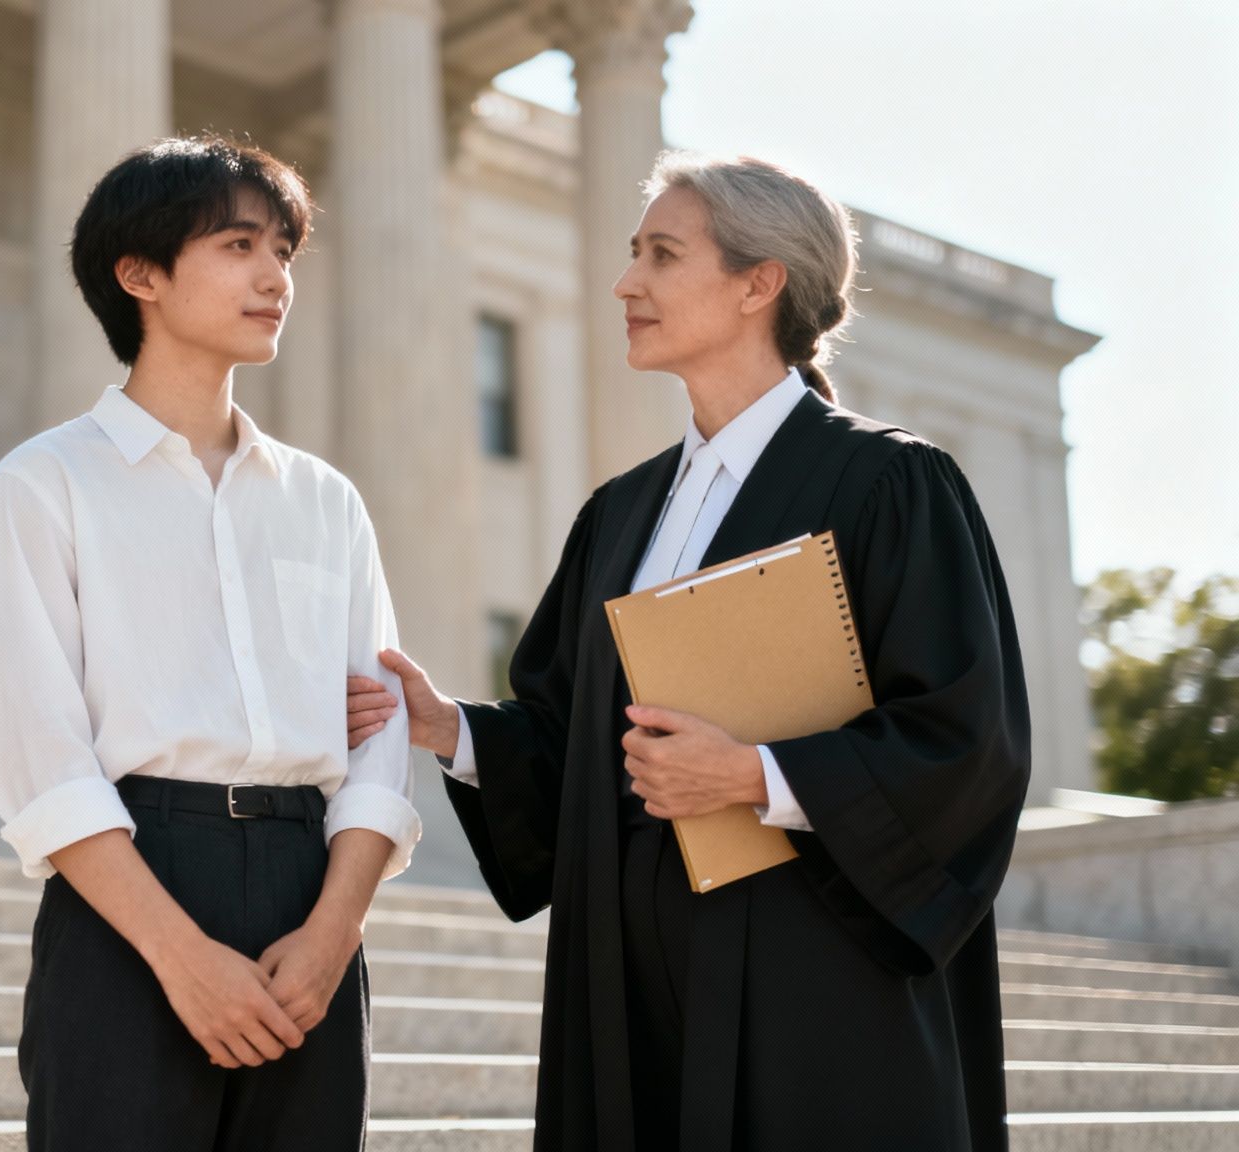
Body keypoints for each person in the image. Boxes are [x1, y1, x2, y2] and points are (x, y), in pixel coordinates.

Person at [347, 152, 1029, 1152]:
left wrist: (754, 776)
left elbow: (965, 743)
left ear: (761, 284)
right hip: (627, 985)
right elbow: (570, 733)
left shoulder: (888, 486)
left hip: (811, 978)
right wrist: (453, 732)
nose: (626, 283)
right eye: (632, 255)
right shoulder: (619, 515)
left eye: (662, 256)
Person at [0, 135, 420, 1152]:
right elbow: (43, 758)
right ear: (140, 275)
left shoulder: (325, 501)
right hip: (132, 889)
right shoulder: (44, 486)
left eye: (285, 253)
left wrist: (331, 933)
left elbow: (379, 733)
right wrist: (180, 958)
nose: (274, 279)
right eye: (236, 245)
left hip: (310, 892)